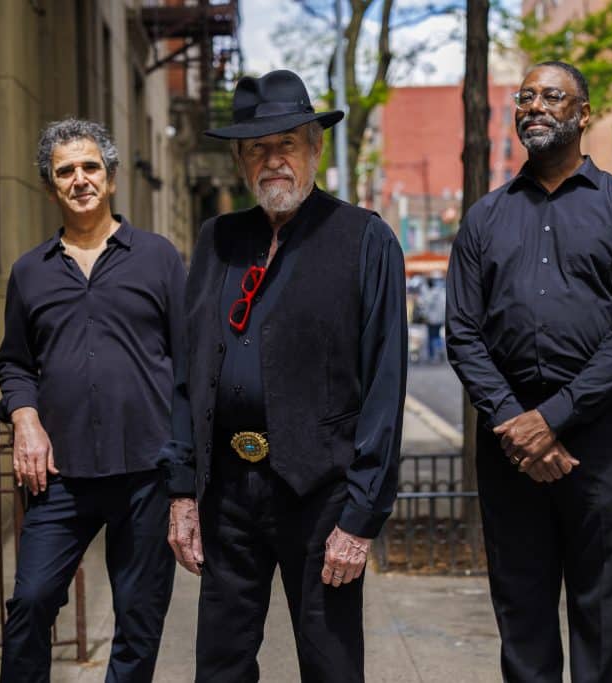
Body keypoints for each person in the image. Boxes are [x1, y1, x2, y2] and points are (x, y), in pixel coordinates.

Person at [160, 69, 407, 682]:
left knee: (330, 664)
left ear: (314, 149)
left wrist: (361, 516)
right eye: (256, 149)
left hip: (320, 493)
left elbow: (385, 384)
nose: (273, 161)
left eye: (286, 145)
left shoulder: (363, 238)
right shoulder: (219, 239)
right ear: (242, 163)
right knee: (220, 665)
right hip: (229, 496)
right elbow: (189, 374)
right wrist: (183, 490)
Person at [445, 61, 612, 682]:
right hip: (509, 444)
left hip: (600, 440)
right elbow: (463, 331)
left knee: (599, 612)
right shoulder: (484, 219)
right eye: (525, 96)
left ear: (584, 114)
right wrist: (518, 422)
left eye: (552, 96)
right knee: (522, 615)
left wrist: (555, 418)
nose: (535, 105)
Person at [0, 119, 185, 682]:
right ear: (51, 187)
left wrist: (186, 477)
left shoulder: (158, 258)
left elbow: (191, 364)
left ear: (111, 177)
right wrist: (24, 416)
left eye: (90, 167)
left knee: (139, 620)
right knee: (29, 602)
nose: (80, 180)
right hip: (61, 478)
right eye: (65, 171)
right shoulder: (30, 272)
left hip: (146, 474)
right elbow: (14, 361)